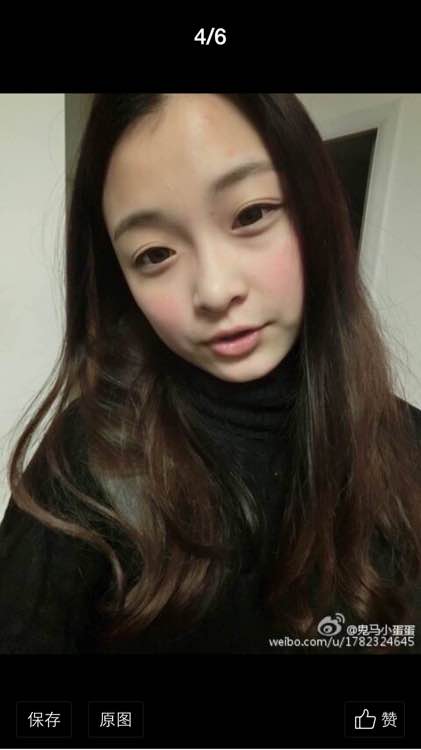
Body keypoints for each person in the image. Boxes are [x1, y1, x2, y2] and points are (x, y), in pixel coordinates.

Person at [1, 93, 421, 655]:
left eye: (251, 214)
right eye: (154, 254)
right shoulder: (90, 464)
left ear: (317, 206)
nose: (216, 291)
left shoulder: (410, 447)